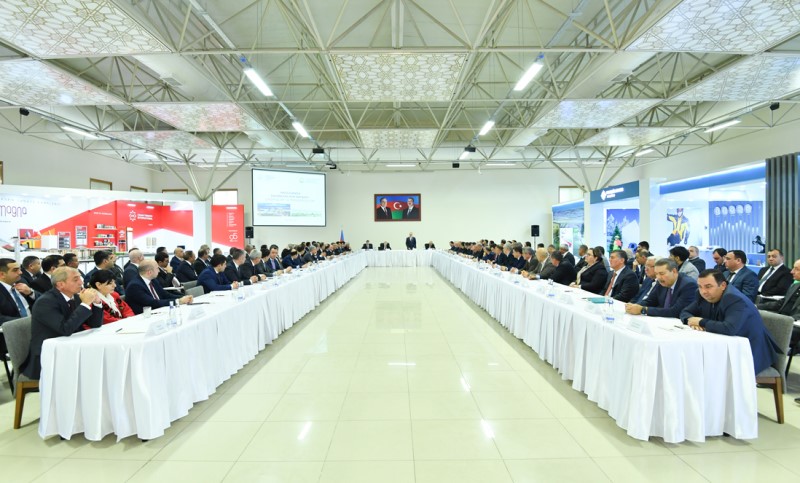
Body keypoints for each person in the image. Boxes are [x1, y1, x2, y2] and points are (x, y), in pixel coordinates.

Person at [680, 270, 780, 375]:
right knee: (690, 363)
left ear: (723, 285)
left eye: (708, 286)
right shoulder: (703, 295)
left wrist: (701, 322)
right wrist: (690, 320)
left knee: (701, 369)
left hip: (749, 353)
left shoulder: (734, 298)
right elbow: (685, 312)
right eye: (700, 286)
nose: (703, 291)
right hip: (723, 346)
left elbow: (729, 328)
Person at [19, 267, 103, 380]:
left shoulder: (76, 297)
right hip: (49, 355)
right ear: (60, 284)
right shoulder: (45, 302)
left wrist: (97, 303)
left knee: (100, 359)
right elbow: (65, 329)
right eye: (75, 279)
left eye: (80, 278)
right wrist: (85, 304)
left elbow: (95, 324)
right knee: (93, 366)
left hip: (71, 346)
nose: (81, 282)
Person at [626, 258, 698, 318]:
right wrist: (635, 306)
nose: (658, 277)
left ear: (674, 271)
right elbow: (650, 300)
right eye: (656, 274)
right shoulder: (661, 281)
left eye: (662, 273)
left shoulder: (688, 285)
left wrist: (643, 310)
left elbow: (676, 312)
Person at [124, 260, 191, 314]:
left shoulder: (153, 280)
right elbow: (153, 303)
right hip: (144, 316)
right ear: (149, 272)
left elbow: (165, 295)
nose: (159, 271)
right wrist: (178, 301)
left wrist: (183, 297)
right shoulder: (135, 286)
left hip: (159, 311)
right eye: (157, 268)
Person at [0, 258, 37, 324]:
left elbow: (43, 300)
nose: (20, 272)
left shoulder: (21, 283)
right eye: (15, 270)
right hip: (15, 327)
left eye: (20, 269)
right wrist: (26, 322)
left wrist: (31, 293)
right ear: (2, 274)